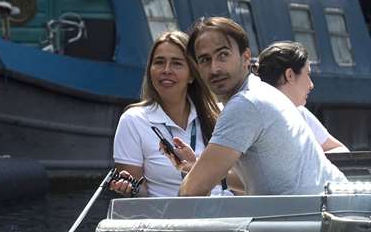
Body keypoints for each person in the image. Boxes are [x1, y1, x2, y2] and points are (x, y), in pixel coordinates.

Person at [173, 17, 343, 197]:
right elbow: (257, 179)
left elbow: (191, 191)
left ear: (246, 57)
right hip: (326, 212)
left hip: (317, 217)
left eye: (223, 54)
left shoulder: (245, 104)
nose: (214, 68)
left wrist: (197, 177)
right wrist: (198, 168)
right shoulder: (260, 91)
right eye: (205, 60)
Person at [109, 31, 222, 197]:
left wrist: (194, 167)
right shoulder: (133, 120)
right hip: (167, 219)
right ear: (150, 71)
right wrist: (129, 188)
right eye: (159, 62)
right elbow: (140, 195)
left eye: (177, 63)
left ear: (192, 75)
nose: (166, 70)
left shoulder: (219, 114)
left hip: (225, 216)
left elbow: (241, 181)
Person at [256, 41, 347, 152]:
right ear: (290, 75)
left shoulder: (300, 113)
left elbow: (340, 149)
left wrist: (313, 160)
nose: (311, 85)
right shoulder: (257, 117)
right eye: (307, 74)